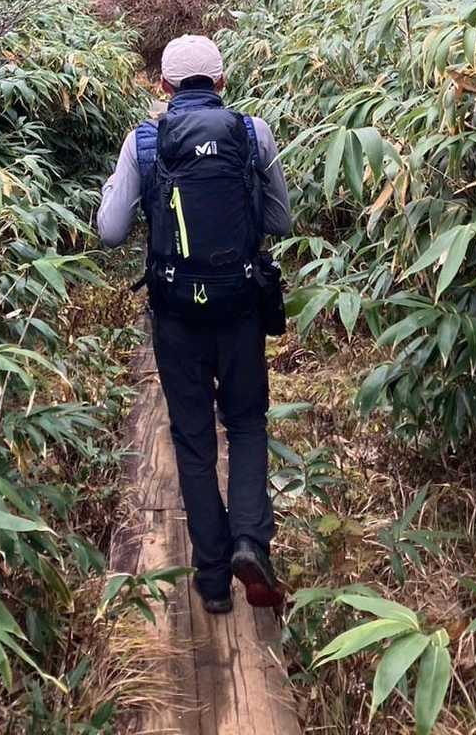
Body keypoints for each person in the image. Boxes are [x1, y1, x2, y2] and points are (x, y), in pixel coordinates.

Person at [97, 33, 292, 615]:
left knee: (193, 438)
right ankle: (250, 540)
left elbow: (110, 231)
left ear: (164, 86)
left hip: (176, 313)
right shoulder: (252, 133)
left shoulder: (145, 141)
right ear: (222, 81)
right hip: (240, 307)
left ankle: (211, 580)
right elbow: (280, 221)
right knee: (247, 423)